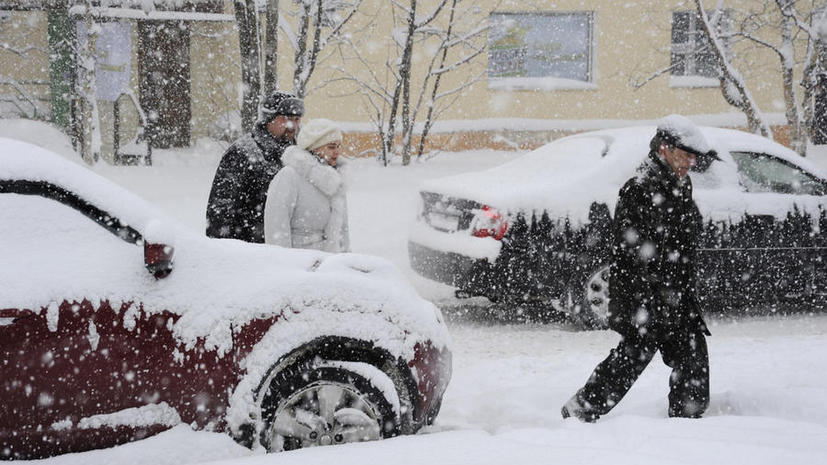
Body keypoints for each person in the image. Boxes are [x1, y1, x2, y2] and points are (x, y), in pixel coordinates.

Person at [562, 114, 718, 422]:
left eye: (693, 157)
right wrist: (653, 298)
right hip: (645, 297)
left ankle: (688, 425)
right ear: (664, 149)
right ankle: (578, 412)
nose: (690, 162)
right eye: (685, 154)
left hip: (675, 295)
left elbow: (683, 239)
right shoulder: (639, 188)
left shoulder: (679, 184)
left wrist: (682, 288)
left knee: (691, 358)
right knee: (629, 360)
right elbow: (632, 251)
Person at [205, 91, 305, 243]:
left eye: (297, 119)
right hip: (252, 252)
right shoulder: (242, 153)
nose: (294, 125)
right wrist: (227, 253)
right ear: (268, 119)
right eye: (287, 118)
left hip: (288, 252)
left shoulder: (298, 155)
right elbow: (220, 212)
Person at [263, 118, 349, 252]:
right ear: (314, 147)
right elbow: (276, 227)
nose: (337, 152)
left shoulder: (335, 182)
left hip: (329, 265)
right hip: (298, 264)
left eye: (338, 146)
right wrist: (284, 265)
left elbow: (342, 232)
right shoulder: (290, 176)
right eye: (331, 147)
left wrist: (345, 263)